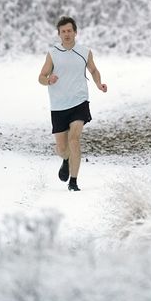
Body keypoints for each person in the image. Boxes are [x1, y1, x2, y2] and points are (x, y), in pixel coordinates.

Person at [38, 16, 107, 191]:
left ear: (75, 32)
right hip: (59, 105)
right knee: (62, 148)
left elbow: (93, 69)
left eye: (70, 31)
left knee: (74, 139)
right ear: (59, 34)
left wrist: (99, 84)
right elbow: (41, 77)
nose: (67, 34)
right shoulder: (53, 53)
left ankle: (73, 182)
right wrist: (49, 80)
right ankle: (66, 160)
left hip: (79, 101)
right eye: (63, 32)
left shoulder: (84, 51)